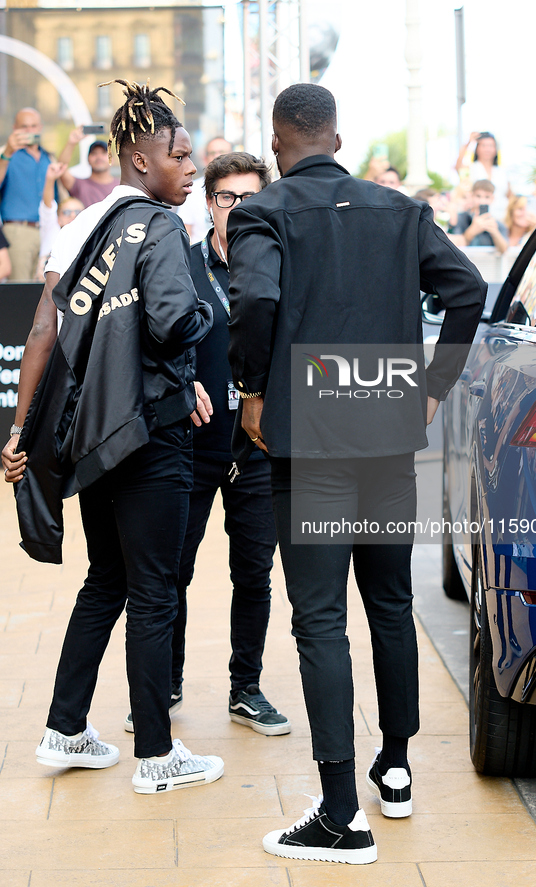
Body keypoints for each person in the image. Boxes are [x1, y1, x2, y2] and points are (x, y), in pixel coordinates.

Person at [226, 83, 486, 864]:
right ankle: (395, 768)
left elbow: (256, 299)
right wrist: (432, 387)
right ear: (337, 135)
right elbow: (466, 290)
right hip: (384, 433)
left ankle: (341, 812)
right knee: (390, 603)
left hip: (308, 442)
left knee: (319, 620)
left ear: (278, 141)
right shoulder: (398, 210)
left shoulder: (262, 212)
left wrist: (253, 389)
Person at [1, 79, 222, 795]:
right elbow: (166, 321)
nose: (190, 170)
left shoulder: (82, 227)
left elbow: (44, 330)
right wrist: (201, 329)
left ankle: (65, 728)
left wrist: (19, 430)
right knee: (154, 590)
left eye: (192, 158)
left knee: (107, 580)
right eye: (178, 156)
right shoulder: (160, 225)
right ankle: (157, 755)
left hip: (91, 438)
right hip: (150, 435)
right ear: (138, 160)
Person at [122, 151, 290, 738]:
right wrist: (180, 378)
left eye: (251, 199)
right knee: (172, 573)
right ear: (208, 203)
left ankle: (246, 687)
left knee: (255, 574)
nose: (238, 210)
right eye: (226, 198)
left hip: (258, 451)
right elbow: (145, 340)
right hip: (188, 446)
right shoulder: (179, 265)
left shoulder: (279, 270)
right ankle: (165, 683)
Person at [0, 108, 56, 280]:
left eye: (33, 126)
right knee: (21, 291)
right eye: (24, 126)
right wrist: (7, 153)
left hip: (46, 231)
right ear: (14, 127)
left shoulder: (48, 157)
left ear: (40, 127)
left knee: (43, 293)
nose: (29, 131)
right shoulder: (6, 153)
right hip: (18, 232)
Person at [177, 136, 232, 243]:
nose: (217, 156)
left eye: (222, 152)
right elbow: (185, 231)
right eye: (212, 153)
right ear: (205, 159)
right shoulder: (191, 190)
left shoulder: (241, 188)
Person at [35, 161, 84, 280]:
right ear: (58, 218)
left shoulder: (88, 238)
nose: (72, 215)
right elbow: (48, 206)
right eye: (66, 212)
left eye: (78, 212)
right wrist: (50, 179)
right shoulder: (52, 229)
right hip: (45, 288)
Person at [455, 130, 510, 221]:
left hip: (501, 218)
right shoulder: (471, 168)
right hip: (477, 219)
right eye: (483, 145)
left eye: (491, 146)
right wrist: (468, 143)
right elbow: (458, 167)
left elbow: (508, 194)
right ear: (477, 148)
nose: (487, 149)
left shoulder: (501, 171)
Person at [58, 129, 120, 207]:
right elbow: (61, 168)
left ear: (112, 159)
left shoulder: (121, 187)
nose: (99, 157)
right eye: (94, 153)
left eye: (103, 153)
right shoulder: (79, 185)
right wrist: (71, 142)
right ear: (87, 159)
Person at [449, 180, 508, 252]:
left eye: (487, 197)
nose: (482, 201)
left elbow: (504, 250)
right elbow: (452, 246)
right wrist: (472, 230)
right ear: (472, 196)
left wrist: (495, 232)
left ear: (492, 198)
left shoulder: (498, 224)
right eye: (478, 196)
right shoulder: (460, 218)